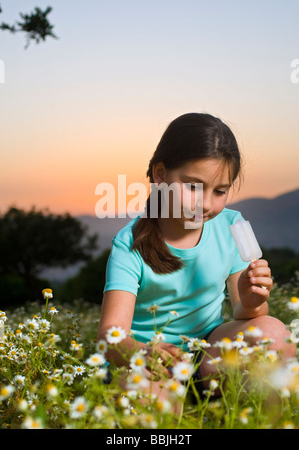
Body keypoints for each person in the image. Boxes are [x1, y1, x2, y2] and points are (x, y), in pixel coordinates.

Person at [97, 113, 296, 401]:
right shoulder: (130, 244)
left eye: (219, 191)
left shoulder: (232, 225)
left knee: (274, 333)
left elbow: (247, 315)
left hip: (209, 356)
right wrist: (142, 354)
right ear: (161, 174)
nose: (205, 204)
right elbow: (109, 335)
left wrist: (252, 302)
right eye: (193, 186)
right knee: (149, 397)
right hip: (148, 360)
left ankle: (256, 414)